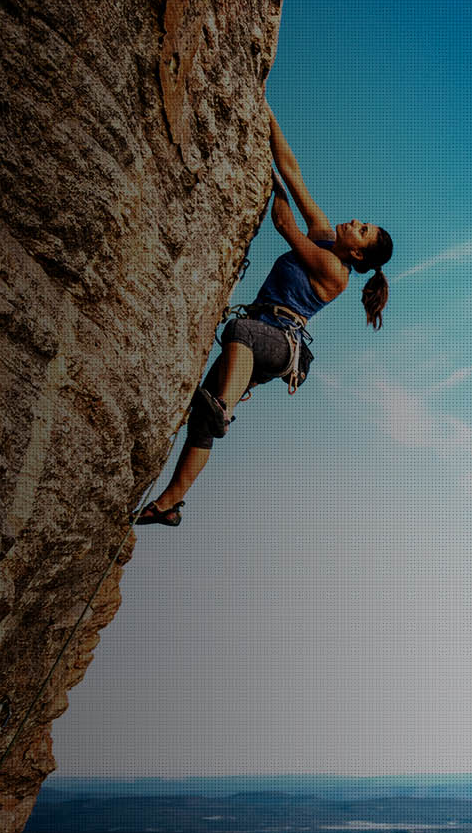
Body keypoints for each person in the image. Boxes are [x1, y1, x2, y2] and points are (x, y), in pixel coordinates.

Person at [133, 104, 393, 526]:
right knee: (201, 417)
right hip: (261, 334)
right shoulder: (327, 236)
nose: (355, 221)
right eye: (362, 222)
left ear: (358, 253)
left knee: (239, 334)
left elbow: (285, 225)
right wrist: (267, 115)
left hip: (277, 343)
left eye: (362, 229)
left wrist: (273, 190)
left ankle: (224, 407)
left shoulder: (335, 269)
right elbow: (293, 171)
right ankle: (169, 504)